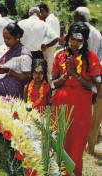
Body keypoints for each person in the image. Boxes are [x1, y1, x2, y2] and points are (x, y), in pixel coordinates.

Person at [51, 22, 101, 176]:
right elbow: (52, 85)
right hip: (61, 107)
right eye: (73, 39)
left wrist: (77, 76)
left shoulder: (90, 58)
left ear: (85, 41)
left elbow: (96, 88)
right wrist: (65, 76)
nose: (75, 43)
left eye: (80, 40)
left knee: (76, 148)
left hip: (81, 109)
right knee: (61, 146)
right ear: (68, 38)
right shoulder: (59, 55)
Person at [73, 7, 102, 155]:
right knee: (90, 107)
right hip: (94, 74)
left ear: (77, 16)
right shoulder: (97, 32)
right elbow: (100, 55)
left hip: (79, 73)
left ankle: (80, 138)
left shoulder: (76, 30)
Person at [0, 23, 32, 98]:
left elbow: (27, 77)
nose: (5, 41)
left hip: (13, 93)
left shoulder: (23, 54)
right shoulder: (2, 49)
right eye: (4, 38)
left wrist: (8, 71)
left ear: (17, 37)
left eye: (8, 38)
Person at [37, 2, 60, 82]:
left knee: (48, 70)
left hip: (48, 48)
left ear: (42, 11)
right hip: (50, 47)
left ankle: (48, 89)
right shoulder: (51, 19)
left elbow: (54, 37)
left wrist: (46, 45)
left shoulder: (49, 20)